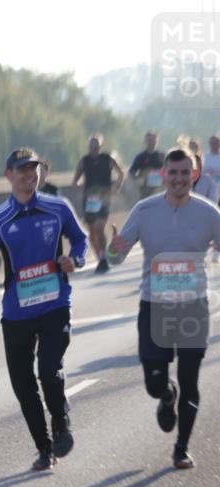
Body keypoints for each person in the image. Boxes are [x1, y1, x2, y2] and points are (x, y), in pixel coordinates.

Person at [0, 148, 88, 471]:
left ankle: (61, 421)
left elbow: (80, 241)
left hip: (54, 304)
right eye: (22, 169)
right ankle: (44, 449)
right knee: (23, 385)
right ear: (8, 175)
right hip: (17, 312)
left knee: (49, 370)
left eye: (33, 168)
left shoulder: (57, 208)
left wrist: (73, 260)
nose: (29, 175)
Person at [107, 147, 220, 469]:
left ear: (193, 175)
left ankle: (181, 447)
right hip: (154, 307)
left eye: (185, 173)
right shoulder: (144, 210)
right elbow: (116, 257)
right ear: (164, 175)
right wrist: (114, 251)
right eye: (173, 173)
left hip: (193, 309)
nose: (179, 179)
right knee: (154, 383)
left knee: (190, 379)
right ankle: (165, 395)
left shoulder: (209, 212)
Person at [72, 133, 125, 274]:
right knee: (92, 231)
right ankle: (99, 258)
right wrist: (80, 185)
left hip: (103, 198)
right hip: (89, 200)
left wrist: (116, 187)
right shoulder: (84, 161)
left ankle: (103, 258)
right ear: (88, 147)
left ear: (100, 147)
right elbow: (75, 180)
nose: (94, 149)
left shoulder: (107, 159)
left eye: (96, 146)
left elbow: (121, 173)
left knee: (99, 227)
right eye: (91, 146)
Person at [128, 131, 166, 200]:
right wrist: (138, 178)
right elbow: (131, 172)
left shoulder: (162, 156)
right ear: (145, 141)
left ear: (157, 141)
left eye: (154, 140)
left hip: (160, 189)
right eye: (149, 140)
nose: (152, 142)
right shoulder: (140, 157)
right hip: (145, 190)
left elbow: (169, 170)